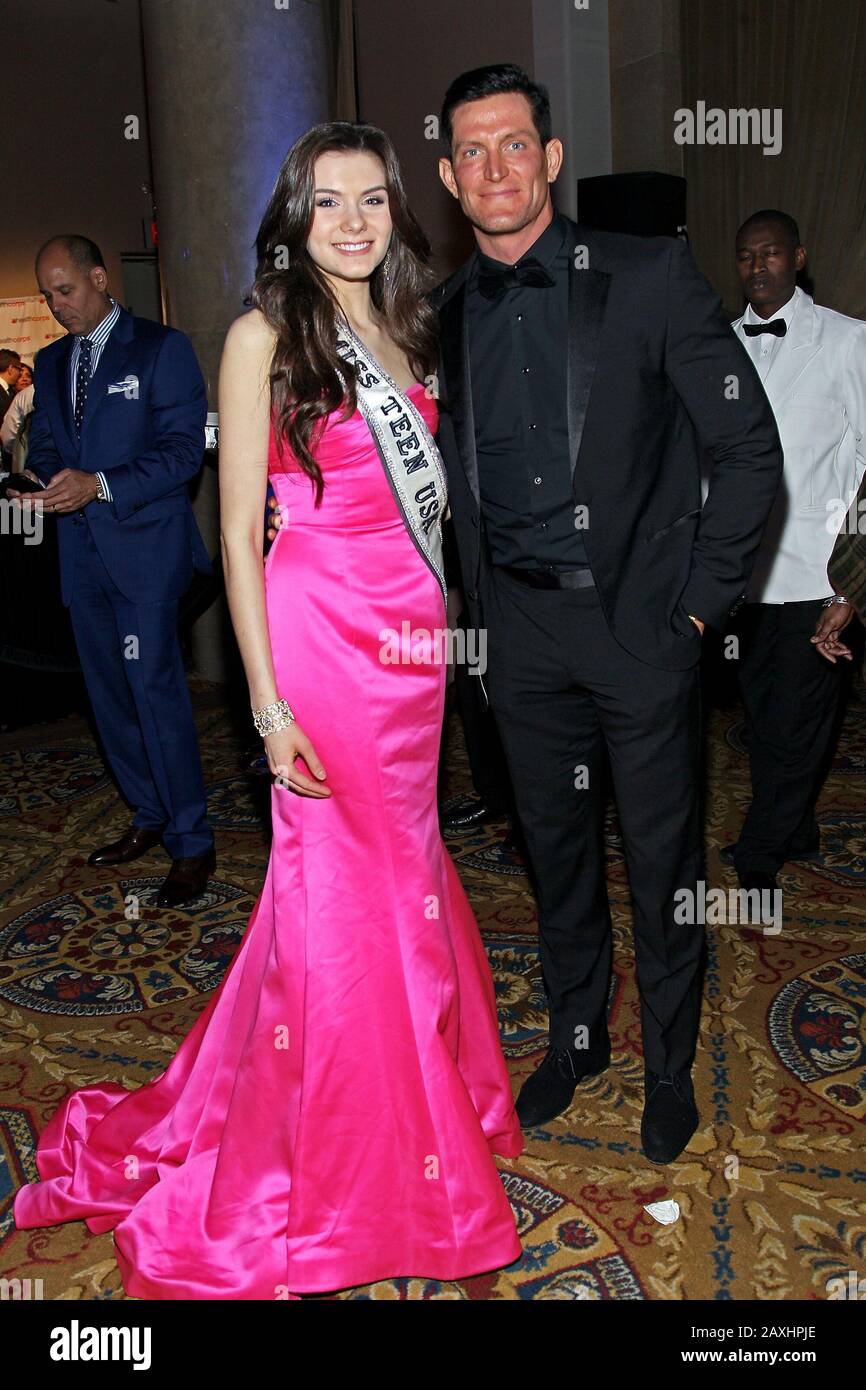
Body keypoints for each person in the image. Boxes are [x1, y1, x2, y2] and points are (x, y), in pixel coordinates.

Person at [13, 124, 523, 1298]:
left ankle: (417, 1092)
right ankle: (355, 1153)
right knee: (342, 887)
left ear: (398, 211)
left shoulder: (410, 324)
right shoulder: (259, 335)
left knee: (400, 863)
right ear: (294, 216)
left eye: (372, 200)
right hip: (321, 642)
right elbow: (236, 533)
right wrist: (264, 703)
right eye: (327, 201)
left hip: (412, 645)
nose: (352, 221)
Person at [429, 64, 783, 1165]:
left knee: (663, 863)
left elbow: (746, 451)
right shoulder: (440, 314)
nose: (494, 167)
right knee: (555, 857)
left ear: (549, 155)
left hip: (639, 630)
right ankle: (576, 1038)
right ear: (447, 175)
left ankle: (668, 1066)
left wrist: (690, 614)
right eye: (470, 152)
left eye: (513, 144)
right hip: (518, 640)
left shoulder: (647, 273)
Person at [7, 236, 215, 907]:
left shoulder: (161, 349)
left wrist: (99, 483)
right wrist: (34, 482)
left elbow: (184, 453)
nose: (57, 305)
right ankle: (149, 815)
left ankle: (192, 840)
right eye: (48, 295)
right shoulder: (51, 360)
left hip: (146, 558)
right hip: (81, 559)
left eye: (65, 289)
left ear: (100, 277)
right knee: (110, 701)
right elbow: (46, 446)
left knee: (157, 696)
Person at [722, 211, 866, 889]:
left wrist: (852, 585)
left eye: (770, 254)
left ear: (798, 257)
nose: (757, 268)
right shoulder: (721, 346)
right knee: (763, 714)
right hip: (742, 574)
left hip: (817, 570)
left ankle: (762, 847)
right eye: (746, 257)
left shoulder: (846, 341)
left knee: (799, 720)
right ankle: (798, 825)